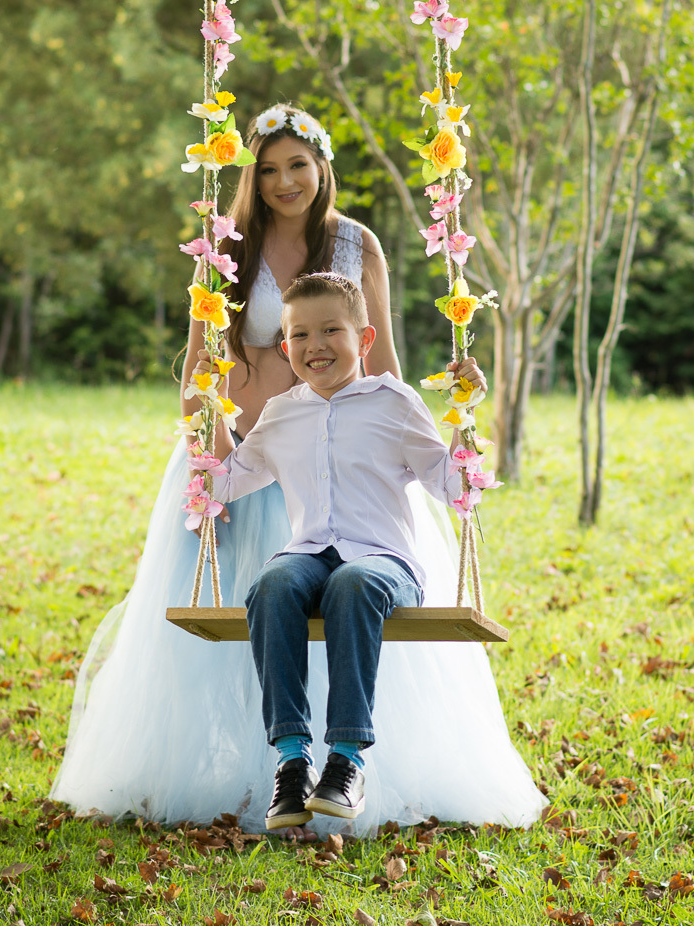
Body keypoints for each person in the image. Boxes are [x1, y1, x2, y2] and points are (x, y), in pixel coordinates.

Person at [51, 104, 546, 834]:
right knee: (267, 598)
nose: (285, 181)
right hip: (249, 450)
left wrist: (435, 426)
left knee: (355, 592)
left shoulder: (355, 244)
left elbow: (382, 367)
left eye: (299, 166)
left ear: (322, 169)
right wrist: (214, 442)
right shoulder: (228, 248)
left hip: (349, 465)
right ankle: (269, 769)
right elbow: (198, 368)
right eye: (270, 168)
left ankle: (348, 766)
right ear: (250, 174)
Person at [199, 272, 487, 831]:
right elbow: (224, 482)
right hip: (308, 554)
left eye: (332, 330)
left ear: (365, 339)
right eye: (301, 335)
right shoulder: (282, 413)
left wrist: (466, 415)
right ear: (286, 347)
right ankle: (291, 760)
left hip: (384, 564)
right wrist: (209, 407)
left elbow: (455, 488)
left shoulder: (395, 403)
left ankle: (347, 761)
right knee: (273, 584)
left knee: (351, 583)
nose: (316, 346)